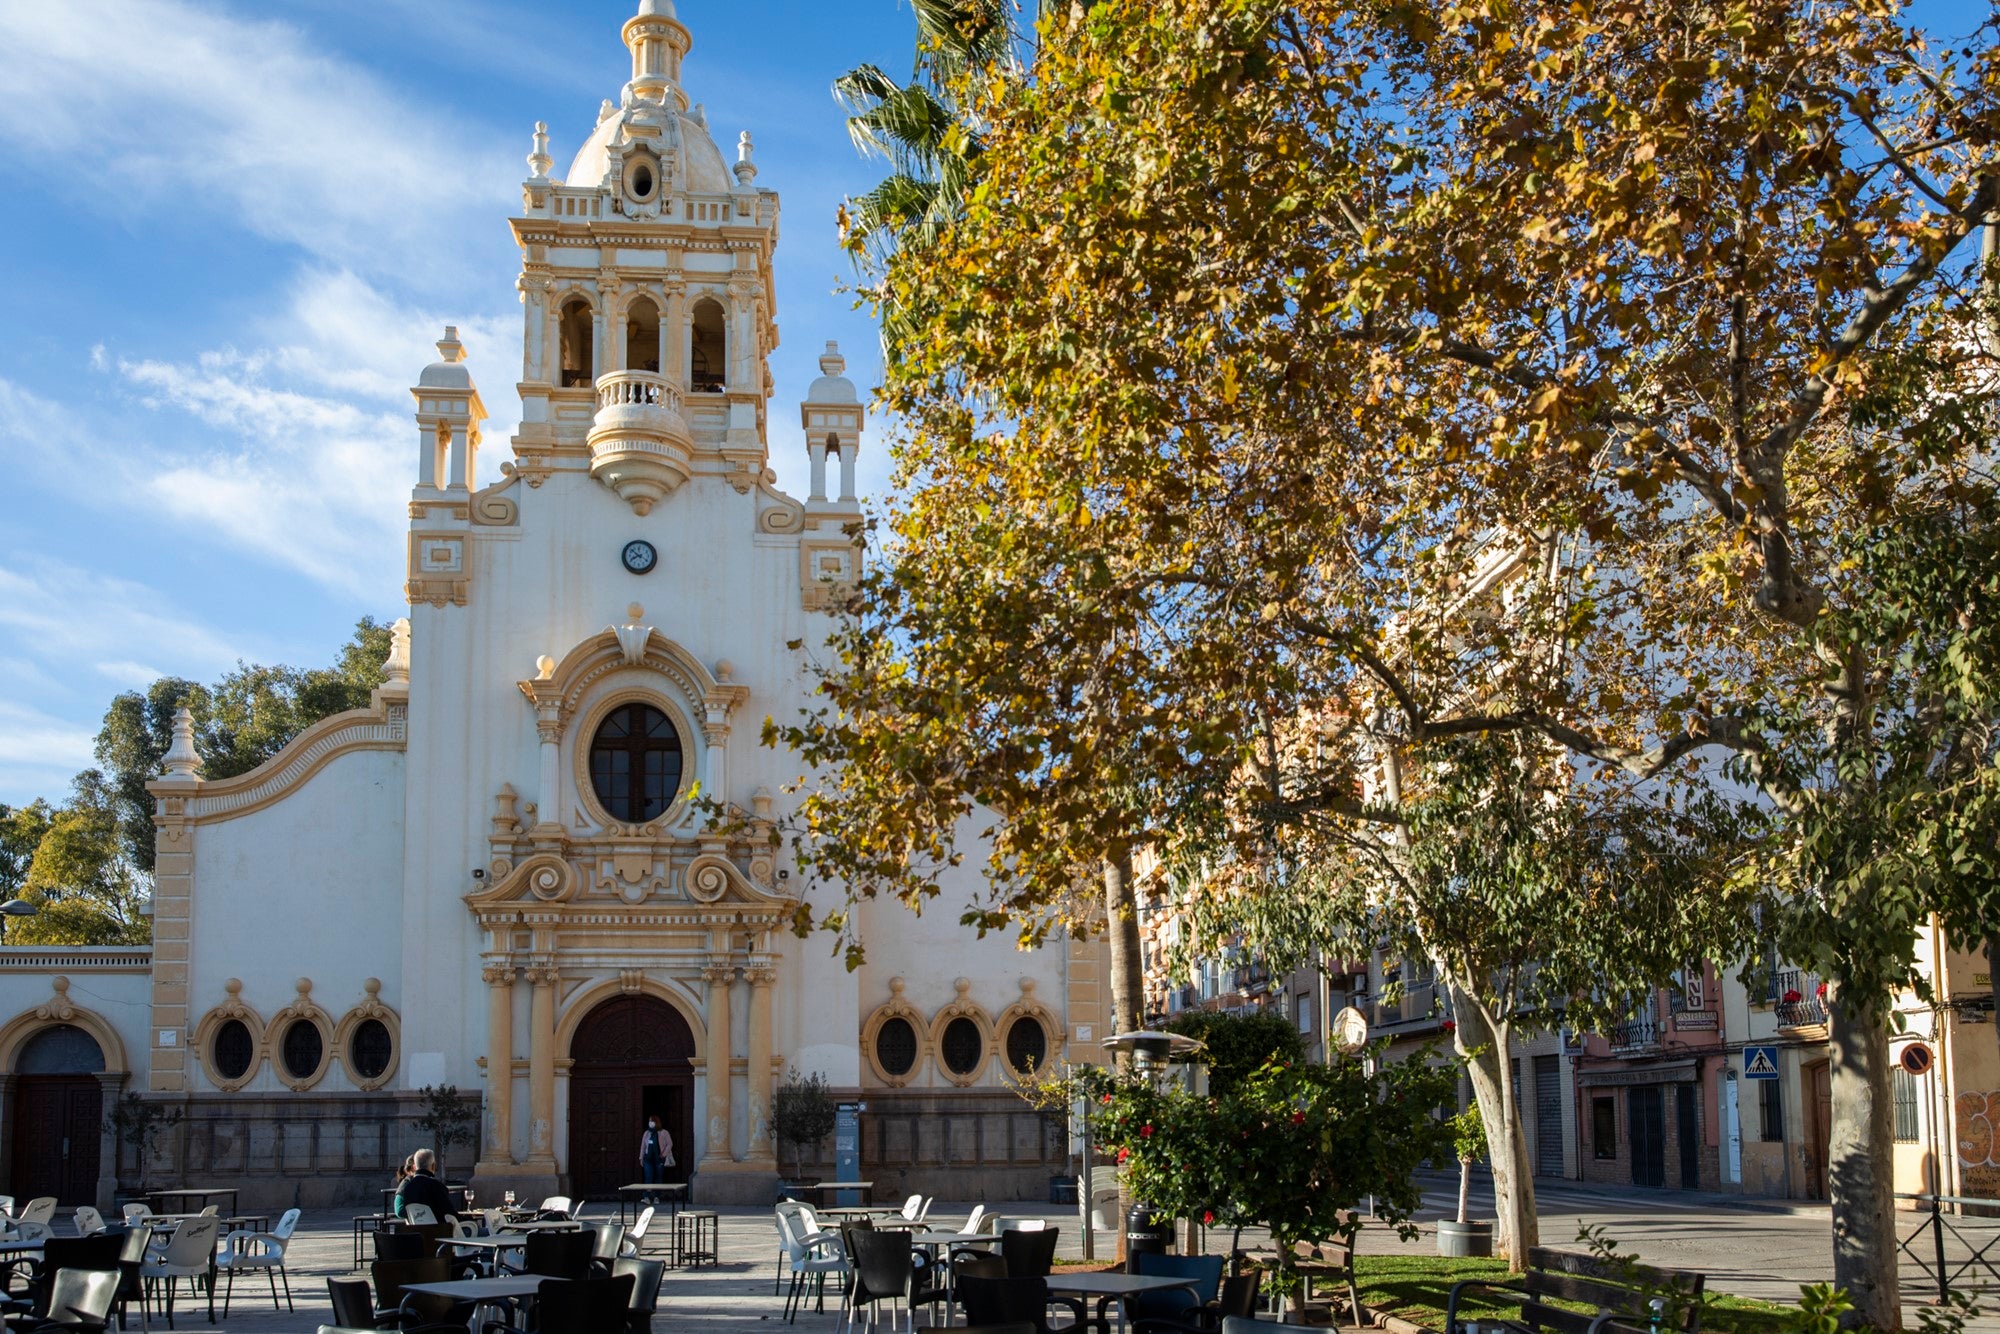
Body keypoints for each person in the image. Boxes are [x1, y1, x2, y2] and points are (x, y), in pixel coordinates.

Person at [394, 1147, 455, 1223]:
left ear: (416, 1166)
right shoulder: (437, 1186)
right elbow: (450, 1213)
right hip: (439, 1232)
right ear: (433, 1166)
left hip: (417, 1231)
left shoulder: (407, 1187)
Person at [640, 1116, 673, 1202]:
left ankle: (656, 1197)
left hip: (659, 1158)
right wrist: (641, 1157)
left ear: (656, 1122)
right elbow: (643, 1146)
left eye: (652, 1121)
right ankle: (646, 1197)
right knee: (648, 1176)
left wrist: (664, 1154)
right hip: (648, 1158)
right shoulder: (647, 1133)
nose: (650, 1123)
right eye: (649, 1121)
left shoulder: (664, 1132)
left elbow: (669, 1144)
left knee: (658, 1177)